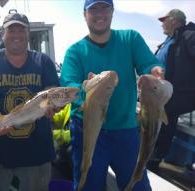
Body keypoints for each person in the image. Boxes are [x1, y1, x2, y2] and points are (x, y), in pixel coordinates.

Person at [60, 0, 165, 190]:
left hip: (125, 128)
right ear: (85, 14)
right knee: (87, 184)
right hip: (87, 130)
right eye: (94, 9)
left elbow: (149, 64)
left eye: (104, 7)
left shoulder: (130, 39)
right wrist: (87, 88)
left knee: (138, 185)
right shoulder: (74, 52)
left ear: (112, 11)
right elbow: (69, 87)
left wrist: (154, 72)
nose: (99, 13)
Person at [0, 12, 59, 191]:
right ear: (2, 34)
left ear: (28, 33)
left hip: (37, 152)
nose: (17, 35)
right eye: (11, 30)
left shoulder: (43, 61)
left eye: (22, 30)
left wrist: (55, 108)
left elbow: (53, 97)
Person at [149, 9, 195, 170]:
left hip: (184, 93)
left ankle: (156, 156)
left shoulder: (189, 36)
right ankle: (145, 147)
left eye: (164, 20)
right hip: (162, 91)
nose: (162, 23)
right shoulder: (168, 40)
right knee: (146, 109)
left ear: (174, 20)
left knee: (167, 109)